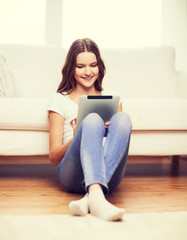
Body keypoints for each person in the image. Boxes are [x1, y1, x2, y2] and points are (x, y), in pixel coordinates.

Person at [48, 38, 132, 221]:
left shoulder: (113, 98)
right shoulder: (59, 100)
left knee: (123, 118)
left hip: (107, 171)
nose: (88, 72)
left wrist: (108, 131)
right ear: (71, 68)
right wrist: (77, 135)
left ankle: (92, 197)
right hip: (73, 173)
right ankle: (96, 196)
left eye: (93, 65)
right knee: (92, 120)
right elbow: (54, 157)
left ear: (99, 67)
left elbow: (117, 146)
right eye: (80, 66)